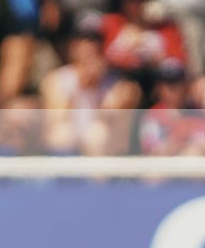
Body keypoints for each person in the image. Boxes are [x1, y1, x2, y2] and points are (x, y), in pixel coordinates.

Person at [38, 13, 139, 156]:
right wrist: (81, 85)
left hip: (103, 144)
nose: (91, 46)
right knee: (63, 134)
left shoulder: (117, 82)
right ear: (73, 45)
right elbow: (56, 122)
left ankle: (98, 178)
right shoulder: (55, 79)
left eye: (96, 40)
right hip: (70, 141)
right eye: (84, 40)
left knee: (97, 134)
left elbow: (114, 121)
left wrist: (97, 88)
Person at [102, 0, 188, 83]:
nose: (132, 3)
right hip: (118, 83)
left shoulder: (165, 28)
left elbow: (179, 63)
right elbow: (99, 58)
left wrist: (156, 59)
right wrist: (127, 58)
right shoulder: (110, 24)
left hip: (156, 84)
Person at [138, 59, 205, 157]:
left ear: (186, 84)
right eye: (167, 83)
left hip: (191, 166)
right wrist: (177, 140)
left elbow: (204, 144)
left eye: (177, 82)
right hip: (164, 167)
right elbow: (154, 151)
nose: (172, 88)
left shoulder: (199, 113)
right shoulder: (152, 116)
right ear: (159, 88)